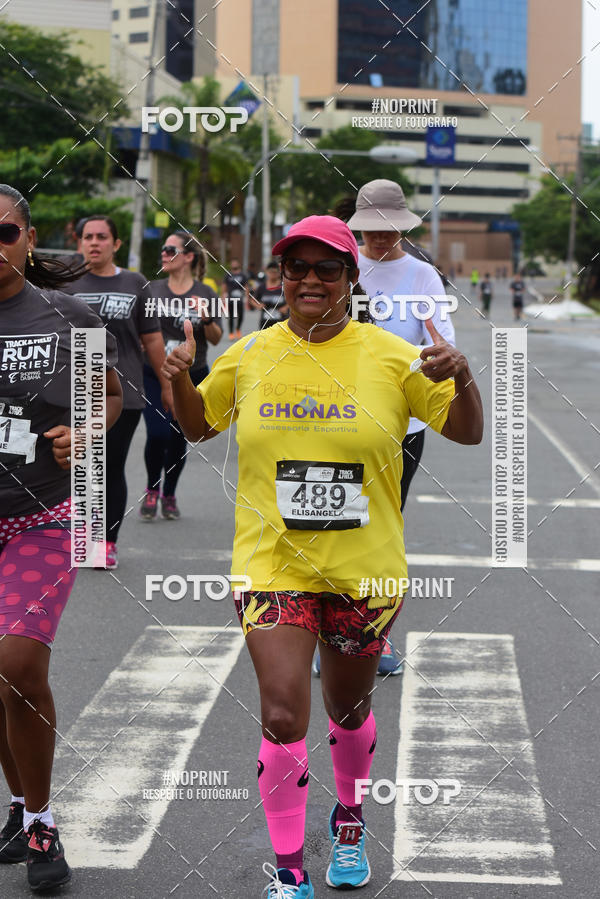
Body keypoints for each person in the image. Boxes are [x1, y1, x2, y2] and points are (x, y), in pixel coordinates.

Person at [163, 215, 483, 898]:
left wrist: (463, 377)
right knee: (282, 713)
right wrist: (180, 377)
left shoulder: (392, 357)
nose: (309, 279)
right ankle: (288, 872)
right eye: (295, 267)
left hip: (363, 569)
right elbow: (197, 424)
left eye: (326, 268)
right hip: (272, 563)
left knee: (347, 711)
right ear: (280, 278)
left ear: (350, 278)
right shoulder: (250, 354)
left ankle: (348, 820)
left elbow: (467, 432)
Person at [0, 184, 122, 890]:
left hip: (42, 516)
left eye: (4, 232)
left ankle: (42, 821)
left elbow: (105, 394)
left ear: (27, 235)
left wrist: (85, 429)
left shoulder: (67, 314)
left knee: (17, 661)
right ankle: (19, 806)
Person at [343, 178, 456, 676]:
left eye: (389, 229)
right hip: (335, 421)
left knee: (383, 531)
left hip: (401, 427)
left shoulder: (422, 277)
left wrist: (435, 357)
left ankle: (376, 636)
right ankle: (336, 632)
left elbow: (441, 339)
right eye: (370, 228)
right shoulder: (341, 265)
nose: (379, 238)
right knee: (337, 526)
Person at [63, 215, 172, 567]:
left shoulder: (135, 282)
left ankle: (107, 542)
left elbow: (152, 338)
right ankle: (80, 536)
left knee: (110, 467)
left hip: (123, 392)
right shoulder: (65, 283)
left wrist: (167, 386)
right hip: (75, 392)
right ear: (79, 243)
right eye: (88, 237)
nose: (94, 242)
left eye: (102, 237)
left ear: (116, 244)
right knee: (79, 468)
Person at [140, 232, 222, 520]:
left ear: (188, 257)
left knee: (178, 437)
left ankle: (170, 493)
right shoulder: (152, 289)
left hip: (192, 375)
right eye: (162, 249)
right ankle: (152, 489)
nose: (163, 254)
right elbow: (141, 331)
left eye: (169, 250)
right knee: (158, 433)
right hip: (153, 373)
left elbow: (216, 337)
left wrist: (207, 318)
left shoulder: (207, 293)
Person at [248, 260, 288, 329]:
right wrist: (258, 306)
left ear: (279, 273)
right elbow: (252, 300)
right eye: (271, 272)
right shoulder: (262, 287)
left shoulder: (284, 286)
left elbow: (293, 300)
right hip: (265, 322)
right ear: (267, 272)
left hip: (281, 322)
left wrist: (286, 307)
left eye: (275, 272)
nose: (273, 274)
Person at [221, 257, 249, 340]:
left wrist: (247, 298)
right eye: (232, 263)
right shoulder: (228, 275)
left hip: (240, 299)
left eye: (235, 263)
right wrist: (223, 297)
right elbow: (224, 286)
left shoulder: (243, 275)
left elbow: (246, 287)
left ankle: (238, 329)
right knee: (231, 317)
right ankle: (231, 333)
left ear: (238, 264)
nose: (234, 265)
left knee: (241, 316)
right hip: (231, 299)